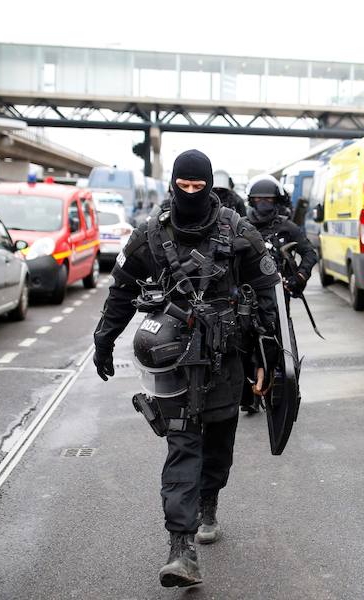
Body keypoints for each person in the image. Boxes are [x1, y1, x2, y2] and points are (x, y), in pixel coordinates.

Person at [92, 149, 281, 588]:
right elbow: (121, 290)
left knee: (218, 445)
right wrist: (104, 341)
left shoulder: (238, 231)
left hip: (227, 359)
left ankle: (208, 502)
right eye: (184, 186)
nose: (190, 193)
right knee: (182, 447)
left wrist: (268, 360)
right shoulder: (150, 236)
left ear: (210, 186)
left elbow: (269, 299)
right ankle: (181, 547)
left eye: (199, 187)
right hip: (174, 362)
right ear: (173, 184)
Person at [240, 175, 317, 414]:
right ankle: (249, 393)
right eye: (259, 199)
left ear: (277, 201)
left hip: (278, 296)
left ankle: (287, 388)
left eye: (269, 200)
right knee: (245, 342)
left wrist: (298, 278)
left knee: (282, 341)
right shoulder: (241, 225)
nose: (264, 204)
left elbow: (309, 254)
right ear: (252, 201)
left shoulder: (287, 227)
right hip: (246, 296)